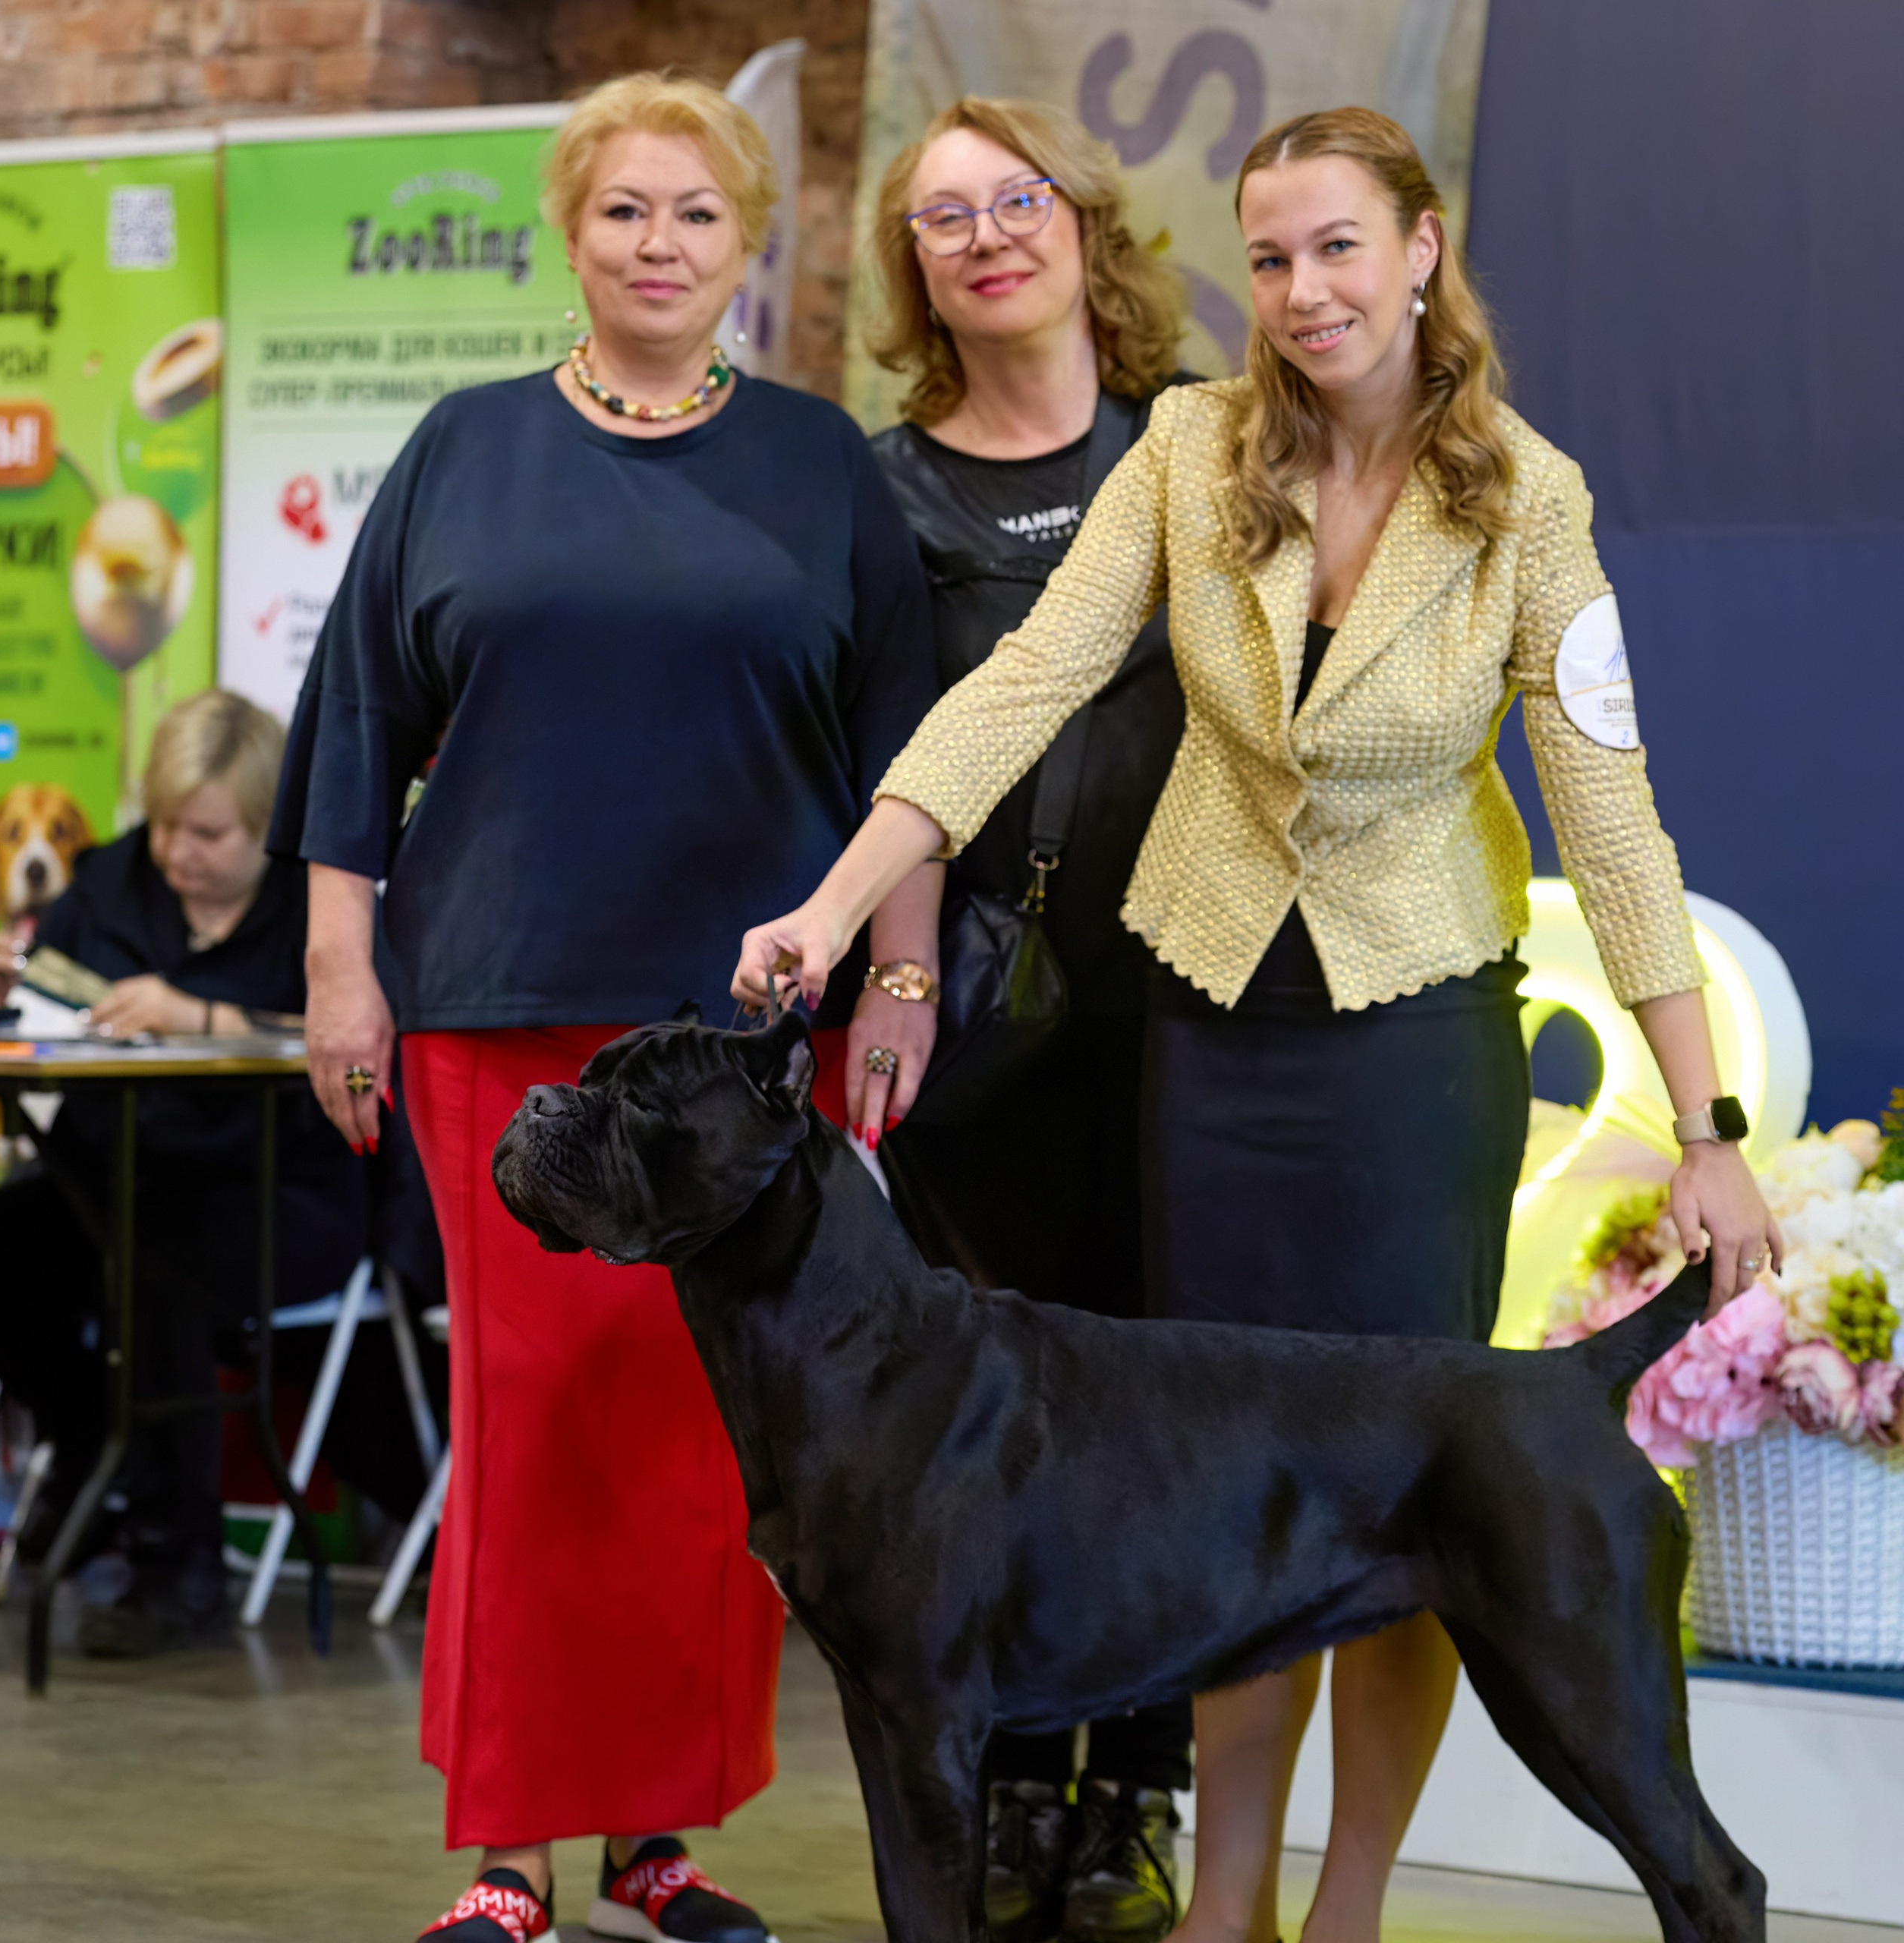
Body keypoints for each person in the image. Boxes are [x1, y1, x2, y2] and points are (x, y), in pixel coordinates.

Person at [732, 107, 1781, 1943]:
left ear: (1420, 250)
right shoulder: (1187, 447)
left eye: (1337, 249)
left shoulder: (1525, 499)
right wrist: (836, 912)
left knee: (1413, 1492)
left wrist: (1706, 1131)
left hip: (1408, 1040)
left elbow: (1609, 817)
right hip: (1205, 1029)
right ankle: (1225, 1907)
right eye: (1270, 256)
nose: (1301, 293)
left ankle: (1348, 1904)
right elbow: (1021, 684)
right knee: (1221, 1492)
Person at [267, 72, 941, 1943]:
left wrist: (897, 971)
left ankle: (663, 1835)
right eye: (625, 211)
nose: (660, 245)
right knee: (538, 1427)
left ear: (751, 244)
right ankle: (511, 1856)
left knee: (709, 1444)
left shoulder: (824, 466)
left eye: (696, 215)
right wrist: (342, 972)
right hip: (504, 1014)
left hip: (743, 1039)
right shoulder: (462, 452)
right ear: (571, 235)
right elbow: (353, 738)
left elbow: (913, 757)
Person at [864, 96, 1192, 1943]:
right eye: (941, 219)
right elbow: (901, 756)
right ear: (914, 269)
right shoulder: (882, 485)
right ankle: (998, 1790)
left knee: (1158, 1404)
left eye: (1016, 201)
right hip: (984, 1013)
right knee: (986, 1419)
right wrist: (897, 970)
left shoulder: (1196, 443)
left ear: (1081, 224)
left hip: (1197, 1010)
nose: (986, 235)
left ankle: (1136, 1792)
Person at [0, 688, 390, 1656]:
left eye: (207, 833)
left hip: (287, 1190)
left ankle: (178, 1564)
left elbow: (371, 1055)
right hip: (118, 1170)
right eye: (163, 825)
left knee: (155, 1270)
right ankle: (91, 1441)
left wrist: (201, 1017)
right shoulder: (109, 882)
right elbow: (37, 993)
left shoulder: (318, 912)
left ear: (266, 826)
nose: (177, 853)